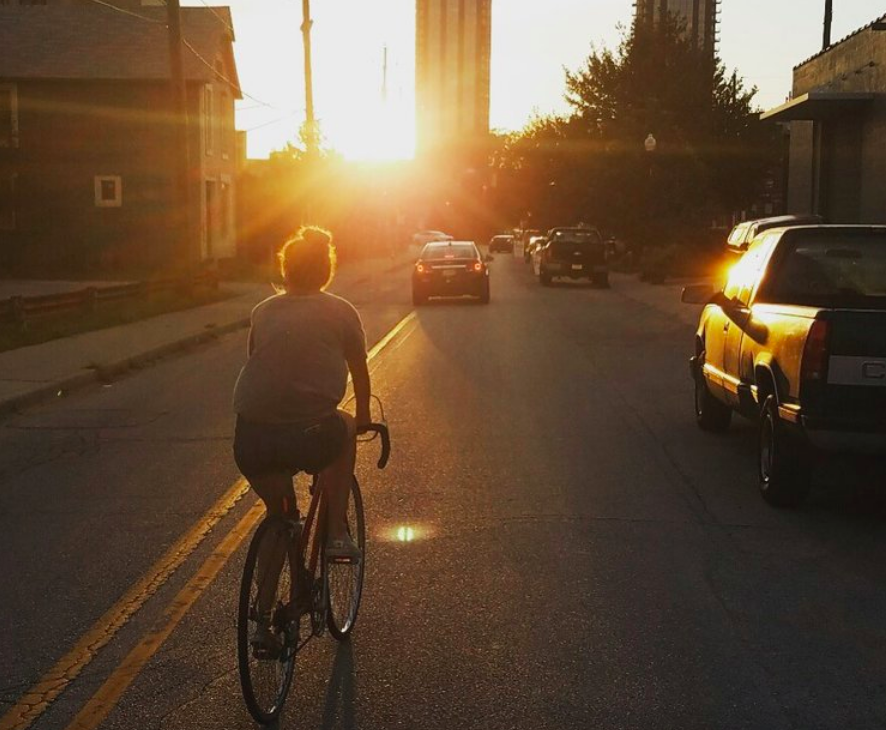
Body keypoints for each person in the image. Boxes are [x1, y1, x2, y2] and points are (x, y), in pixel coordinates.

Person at [232, 226, 371, 654]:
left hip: (252, 434)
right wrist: (364, 417)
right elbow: (360, 372)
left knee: (280, 514)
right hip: (309, 434)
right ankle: (335, 535)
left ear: (286, 270)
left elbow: (259, 361)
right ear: (326, 270)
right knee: (343, 426)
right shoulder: (342, 310)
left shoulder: (264, 310)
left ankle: (262, 621)